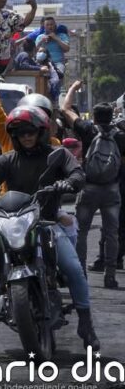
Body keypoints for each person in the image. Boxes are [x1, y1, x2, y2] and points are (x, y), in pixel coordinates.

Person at [0, 106, 99, 351]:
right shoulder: (8, 159)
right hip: (11, 221)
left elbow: (77, 174)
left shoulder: (58, 155)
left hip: (46, 223)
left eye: (30, 132)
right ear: (14, 136)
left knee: (72, 267)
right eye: (20, 133)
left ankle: (85, 323)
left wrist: (68, 182)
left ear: (40, 132)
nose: (26, 137)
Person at [60, 94, 125, 289]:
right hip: (112, 190)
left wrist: (73, 87)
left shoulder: (87, 130)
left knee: (81, 233)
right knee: (111, 233)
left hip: (88, 188)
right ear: (112, 114)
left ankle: (81, 275)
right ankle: (110, 275)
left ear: (94, 118)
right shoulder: (121, 136)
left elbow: (65, 109)